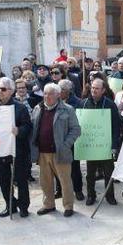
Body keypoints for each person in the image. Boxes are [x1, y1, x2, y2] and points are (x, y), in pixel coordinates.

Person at [31, 83, 81, 217]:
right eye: (45, 93)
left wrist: (65, 145)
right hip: (42, 152)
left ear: (58, 95)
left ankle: (68, 206)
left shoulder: (67, 109)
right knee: (45, 181)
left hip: (60, 152)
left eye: (51, 93)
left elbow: (76, 129)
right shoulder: (37, 108)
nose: (47, 96)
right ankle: (49, 205)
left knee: (65, 181)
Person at [0, 77, 32, 218]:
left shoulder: (20, 107)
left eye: (3, 89)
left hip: (18, 150)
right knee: (4, 180)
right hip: (1, 150)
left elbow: (28, 126)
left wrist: (19, 130)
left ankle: (23, 206)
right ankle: (10, 205)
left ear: (11, 91)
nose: (0, 92)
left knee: (21, 180)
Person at [79, 78, 121, 206]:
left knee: (108, 173)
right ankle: (91, 195)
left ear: (103, 90)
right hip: (90, 146)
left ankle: (110, 196)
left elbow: (116, 127)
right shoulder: (83, 104)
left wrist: (114, 146)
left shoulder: (110, 104)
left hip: (106, 146)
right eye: (92, 88)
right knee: (90, 174)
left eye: (97, 88)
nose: (94, 90)